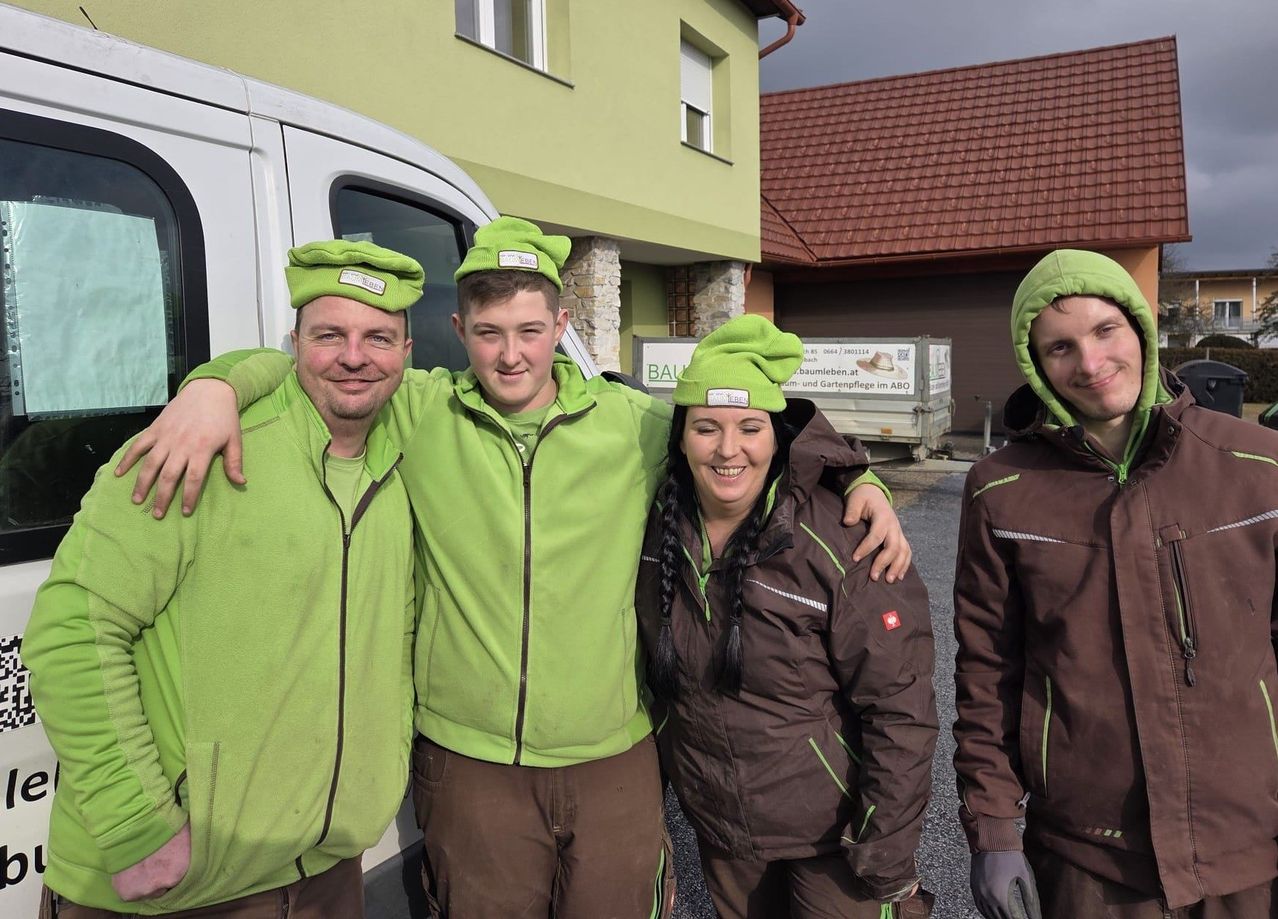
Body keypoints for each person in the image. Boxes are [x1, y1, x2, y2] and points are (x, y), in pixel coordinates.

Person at [115, 217, 911, 918]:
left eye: (530, 329)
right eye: (490, 331)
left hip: (613, 758)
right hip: (470, 765)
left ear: (562, 323)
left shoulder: (631, 423)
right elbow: (318, 361)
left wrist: (855, 474)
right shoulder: (420, 410)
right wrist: (215, 386)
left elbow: (746, 421)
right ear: (458, 329)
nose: (511, 353)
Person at [21, 240, 422, 917]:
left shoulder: (403, 457)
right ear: (295, 342)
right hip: (178, 885)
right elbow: (71, 629)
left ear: (407, 355)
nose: (355, 356)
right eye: (330, 334)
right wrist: (136, 824)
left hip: (326, 871)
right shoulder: (191, 449)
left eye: (378, 337)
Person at [953, 248, 1278, 919]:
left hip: (1248, 843)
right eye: (1061, 347)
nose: (1091, 364)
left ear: (1139, 329)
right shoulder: (1002, 490)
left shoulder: (1258, 465)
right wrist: (993, 830)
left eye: (1106, 331)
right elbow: (987, 670)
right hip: (1089, 857)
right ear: (1036, 365)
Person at [636, 315, 937, 919]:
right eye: (706, 427)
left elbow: (901, 707)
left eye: (750, 427)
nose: (728, 450)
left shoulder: (841, 538)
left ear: (777, 437)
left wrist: (886, 845)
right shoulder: (653, 527)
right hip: (724, 832)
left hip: (830, 836)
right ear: (680, 437)